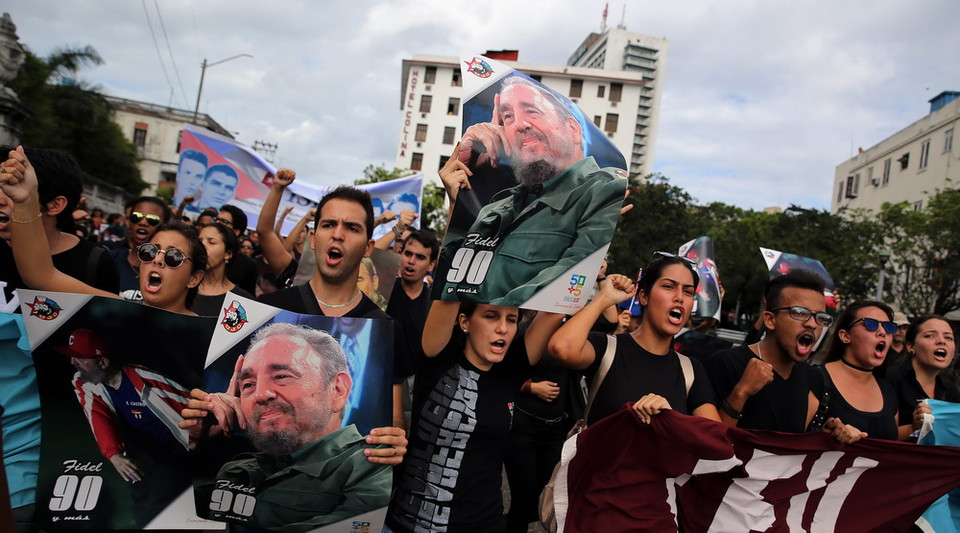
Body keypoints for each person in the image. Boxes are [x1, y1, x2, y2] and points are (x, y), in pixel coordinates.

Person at [180, 323, 394, 531]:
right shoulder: (237, 468)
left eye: (282, 377)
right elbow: (165, 515)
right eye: (248, 385)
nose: (261, 394)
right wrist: (191, 444)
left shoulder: (372, 463)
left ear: (338, 389)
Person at [436, 75, 626, 306]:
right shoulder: (498, 206)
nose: (519, 124)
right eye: (507, 117)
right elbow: (445, 283)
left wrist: (478, 319)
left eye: (532, 111)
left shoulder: (605, 189)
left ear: (574, 130)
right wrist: (459, 198)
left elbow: (563, 289)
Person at [386, 298, 563, 532]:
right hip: (409, 523)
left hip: (482, 524)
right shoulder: (438, 358)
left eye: (511, 320)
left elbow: (557, 305)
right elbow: (451, 287)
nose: (503, 328)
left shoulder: (510, 371)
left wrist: (604, 296)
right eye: (491, 316)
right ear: (464, 321)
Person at [1, 147, 206, 315]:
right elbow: (41, 276)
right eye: (150, 252)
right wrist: (26, 199)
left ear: (194, 278)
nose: (157, 261)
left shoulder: (209, 339)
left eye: (173, 257)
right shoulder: (117, 311)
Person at [548, 254, 720, 425]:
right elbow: (561, 348)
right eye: (669, 286)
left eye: (688, 291)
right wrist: (604, 298)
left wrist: (671, 419)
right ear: (644, 296)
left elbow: (715, 439)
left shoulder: (691, 371)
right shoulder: (608, 348)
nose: (680, 297)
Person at [55, 328, 193, 527]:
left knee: (157, 515)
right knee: (141, 507)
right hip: (136, 454)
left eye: (79, 358)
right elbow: (98, 417)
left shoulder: (145, 379)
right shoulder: (83, 382)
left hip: (171, 454)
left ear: (103, 362)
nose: (72, 363)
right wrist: (113, 454)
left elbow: (192, 405)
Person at [705, 270, 834, 433]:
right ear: (770, 320)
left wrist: (830, 434)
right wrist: (741, 392)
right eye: (800, 313)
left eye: (821, 317)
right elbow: (706, 441)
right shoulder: (725, 364)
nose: (813, 325)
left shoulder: (811, 378)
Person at [0, 147, 119, 313]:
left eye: (12, 188)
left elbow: (42, 276)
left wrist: (25, 201)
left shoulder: (94, 262)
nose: (2, 199)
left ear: (55, 205)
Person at [258, 182, 388, 320]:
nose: (337, 235)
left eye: (352, 228)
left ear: (368, 248)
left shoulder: (383, 329)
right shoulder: (271, 309)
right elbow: (264, 232)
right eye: (328, 225)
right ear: (312, 239)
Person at [819, 300, 900, 440]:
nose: (882, 332)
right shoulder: (816, 378)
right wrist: (826, 433)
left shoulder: (888, 390)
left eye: (889, 327)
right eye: (870, 324)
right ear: (845, 336)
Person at [385, 229, 439, 428]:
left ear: (431, 264)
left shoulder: (434, 304)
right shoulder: (384, 291)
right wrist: (395, 229)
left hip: (420, 388)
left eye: (420, 257)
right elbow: (367, 259)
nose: (411, 261)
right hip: (383, 383)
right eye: (408, 254)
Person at [885, 314, 960, 441]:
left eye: (948, 337)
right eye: (930, 335)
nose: (941, 341)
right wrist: (914, 427)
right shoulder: (890, 380)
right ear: (910, 346)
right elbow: (876, 435)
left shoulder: (951, 391)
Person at [105, 196, 173, 302]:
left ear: (165, 226)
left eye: (152, 219)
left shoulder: (172, 269)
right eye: (136, 217)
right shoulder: (108, 260)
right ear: (129, 222)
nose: (143, 223)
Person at [190, 222, 253, 317]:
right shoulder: (180, 288)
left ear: (228, 253)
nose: (202, 246)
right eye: (200, 241)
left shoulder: (243, 301)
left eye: (211, 242)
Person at [216, 204, 259, 295]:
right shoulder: (201, 253)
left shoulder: (248, 265)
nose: (217, 223)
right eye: (216, 219)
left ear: (236, 231)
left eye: (223, 221)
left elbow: (247, 299)